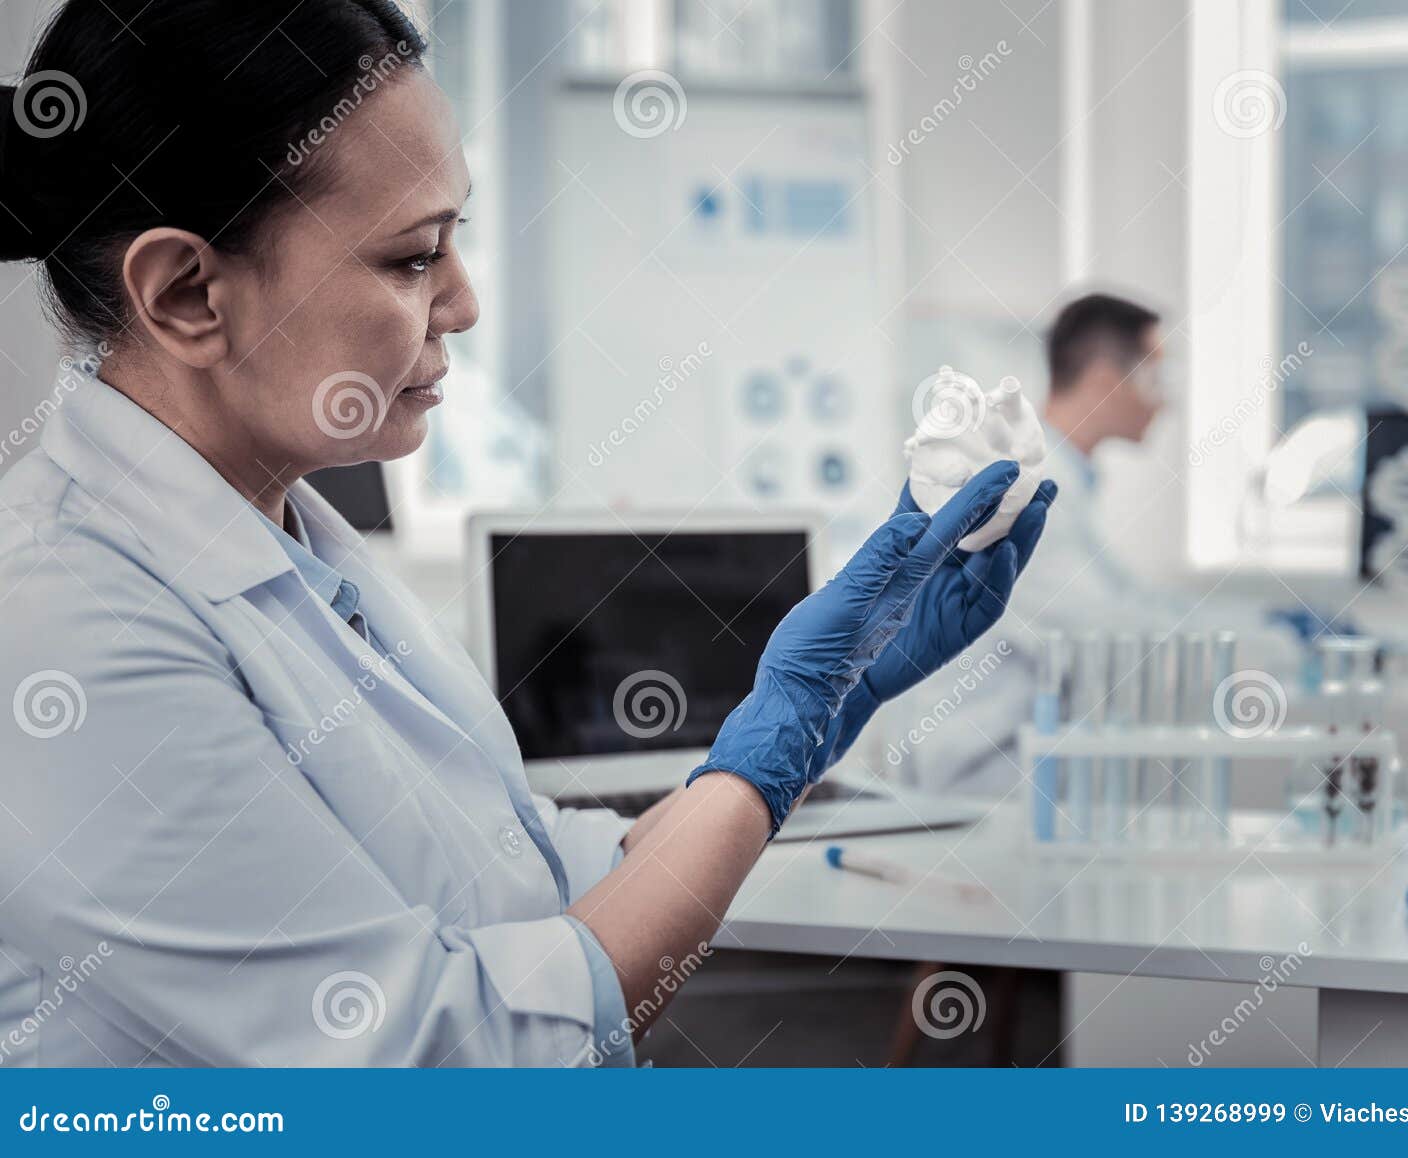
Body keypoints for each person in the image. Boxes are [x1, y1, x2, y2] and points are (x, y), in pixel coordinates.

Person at [0, 0, 1055, 1067]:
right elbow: (440, 1060)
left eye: (455, 241)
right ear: (186, 293)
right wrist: (769, 741)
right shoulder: (61, 625)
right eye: (412, 258)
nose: (460, 301)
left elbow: (539, 882)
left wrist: (825, 703)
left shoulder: (301, 551)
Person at [897, 293, 1298, 794]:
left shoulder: (1058, 481)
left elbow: (1136, 601)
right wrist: (1278, 645)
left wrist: (1264, 624)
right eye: (1155, 380)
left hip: (1025, 759)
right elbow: (1112, 630)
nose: (1165, 402)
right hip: (981, 775)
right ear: (1106, 381)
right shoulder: (1017, 491)